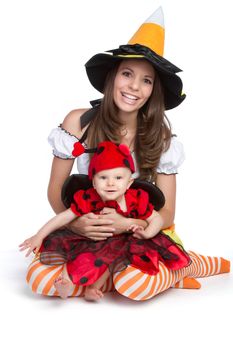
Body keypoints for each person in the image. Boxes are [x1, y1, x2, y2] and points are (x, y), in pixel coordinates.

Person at [25, 7, 230, 300]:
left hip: (137, 230)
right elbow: (55, 190)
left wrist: (129, 224)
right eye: (127, 74)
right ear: (112, 77)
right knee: (40, 282)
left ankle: (182, 266)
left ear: (153, 91)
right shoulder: (78, 124)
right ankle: (108, 277)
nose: (134, 86)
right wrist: (76, 223)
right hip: (88, 231)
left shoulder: (161, 139)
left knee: (135, 287)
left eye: (146, 80)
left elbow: (167, 210)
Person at [20, 141, 191, 301]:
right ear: (93, 182)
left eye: (118, 178)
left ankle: (93, 288)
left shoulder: (135, 199)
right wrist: (39, 236)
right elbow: (63, 217)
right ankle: (66, 282)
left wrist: (146, 233)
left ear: (129, 182)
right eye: (103, 178)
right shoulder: (89, 198)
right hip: (93, 239)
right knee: (77, 254)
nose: (110, 183)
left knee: (113, 255)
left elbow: (157, 218)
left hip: (125, 241)